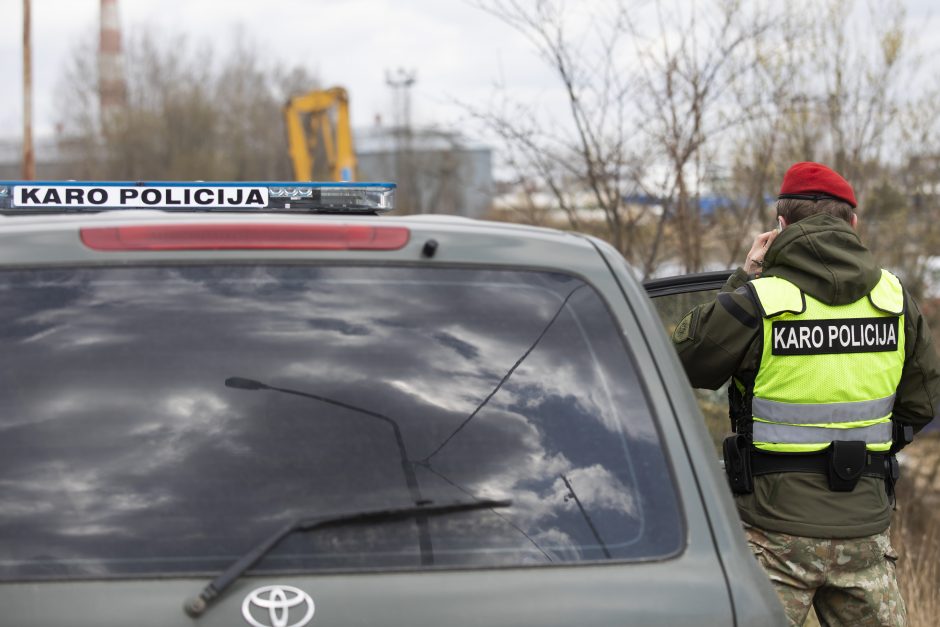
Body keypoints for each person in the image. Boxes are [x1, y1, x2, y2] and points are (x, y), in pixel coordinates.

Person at [672, 161, 940, 626]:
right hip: (864, 530)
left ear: (779, 227)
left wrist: (745, 275)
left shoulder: (760, 301)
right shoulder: (896, 300)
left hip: (773, 536)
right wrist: (868, 456)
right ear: (853, 223)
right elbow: (923, 405)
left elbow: (683, 358)